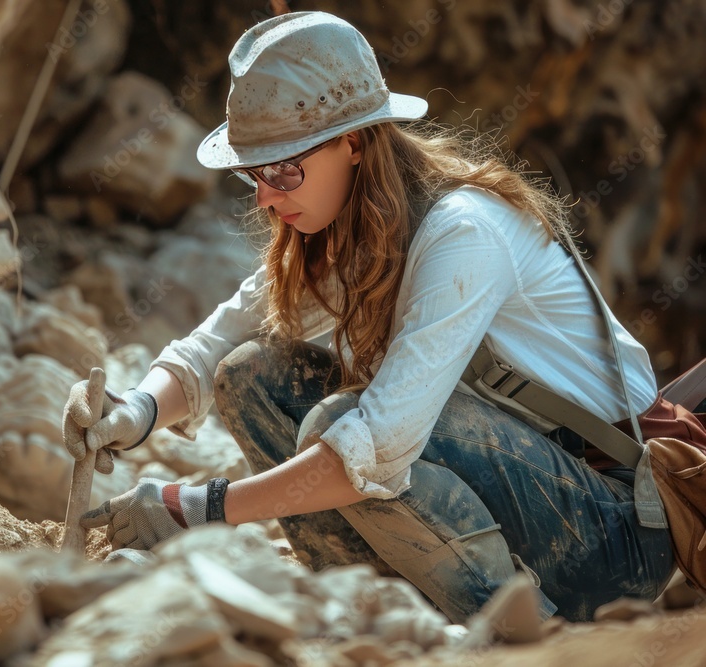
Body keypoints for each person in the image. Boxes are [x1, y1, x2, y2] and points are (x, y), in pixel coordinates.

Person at [65, 11, 674, 623]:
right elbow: (220, 340)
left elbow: (379, 447)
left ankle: (520, 631)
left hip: (614, 535)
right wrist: (135, 411)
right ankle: (377, 608)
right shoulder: (354, 228)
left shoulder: (465, 233)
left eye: (283, 169)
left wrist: (192, 506)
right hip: (524, 492)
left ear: (353, 143)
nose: (265, 196)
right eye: (253, 171)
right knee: (251, 375)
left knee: (347, 421)